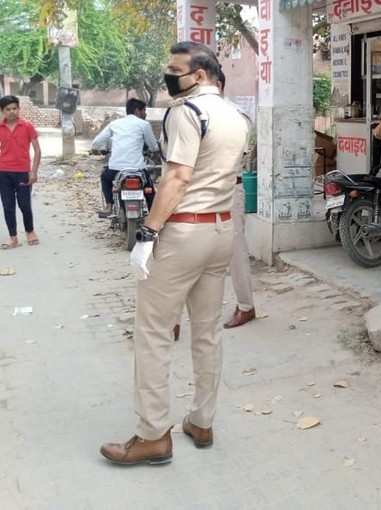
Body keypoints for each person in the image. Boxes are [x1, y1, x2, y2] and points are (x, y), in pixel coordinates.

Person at [100, 42, 249, 465]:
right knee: (207, 332)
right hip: (221, 231)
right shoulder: (237, 116)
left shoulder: (187, 112)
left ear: (199, 74)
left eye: (174, 69)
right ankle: (202, 420)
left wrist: (147, 232)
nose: (169, 75)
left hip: (183, 233)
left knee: (152, 333)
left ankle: (152, 435)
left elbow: (178, 178)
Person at [216, 69, 256, 328]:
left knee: (235, 251)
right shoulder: (190, 113)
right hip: (198, 192)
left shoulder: (234, 116)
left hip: (228, 189)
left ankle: (246, 306)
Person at [91, 98, 159, 216]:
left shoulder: (115, 124)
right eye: (144, 110)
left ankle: (109, 206)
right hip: (137, 169)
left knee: (105, 178)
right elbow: (153, 146)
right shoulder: (144, 124)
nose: (145, 113)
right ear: (137, 111)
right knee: (149, 188)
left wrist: (101, 150)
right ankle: (153, 214)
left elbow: (96, 142)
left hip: (115, 169)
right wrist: (154, 151)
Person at [0, 95, 41, 249]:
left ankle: (30, 231)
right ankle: (13, 237)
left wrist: (34, 171)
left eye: (14, 108)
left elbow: (37, 150)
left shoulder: (27, 126)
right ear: (2, 111)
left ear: (19, 109)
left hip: (23, 172)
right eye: (8, 109)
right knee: (8, 205)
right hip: (3, 172)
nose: (12, 112)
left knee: (24, 204)